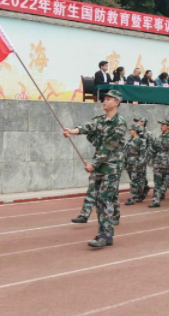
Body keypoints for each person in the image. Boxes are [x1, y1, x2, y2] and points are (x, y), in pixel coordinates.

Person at [64, 90, 127, 249]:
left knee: (104, 200)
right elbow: (87, 127)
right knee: (100, 200)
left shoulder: (120, 123)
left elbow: (108, 147)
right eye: (104, 99)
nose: (104, 101)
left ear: (117, 102)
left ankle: (103, 235)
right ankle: (108, 234)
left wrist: (94, 164)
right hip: (100, 166)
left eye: (108, 99)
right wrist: (72, 131)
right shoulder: (100, 120)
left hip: (112, 167)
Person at [148, 120, 169, 208]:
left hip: (167, 164)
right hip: (158, 163)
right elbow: (153, 149)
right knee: (157, 182)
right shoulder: (159, 137)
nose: (161, 126)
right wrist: (151, 161)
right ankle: (156, 201)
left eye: (163, 125)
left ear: (168, 126)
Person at [124, 125, 149, 205]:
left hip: (137, 164)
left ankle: (132, 198)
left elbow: (143, 155)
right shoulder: (129, 141)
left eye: (131, 130)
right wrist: (124, 163)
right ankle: (144, 190)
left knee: (133, 181)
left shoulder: (141, 141)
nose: (130, 131)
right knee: (138, 181)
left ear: (135, 131)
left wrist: (138, 164)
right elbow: (125, 153)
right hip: (129, 164)